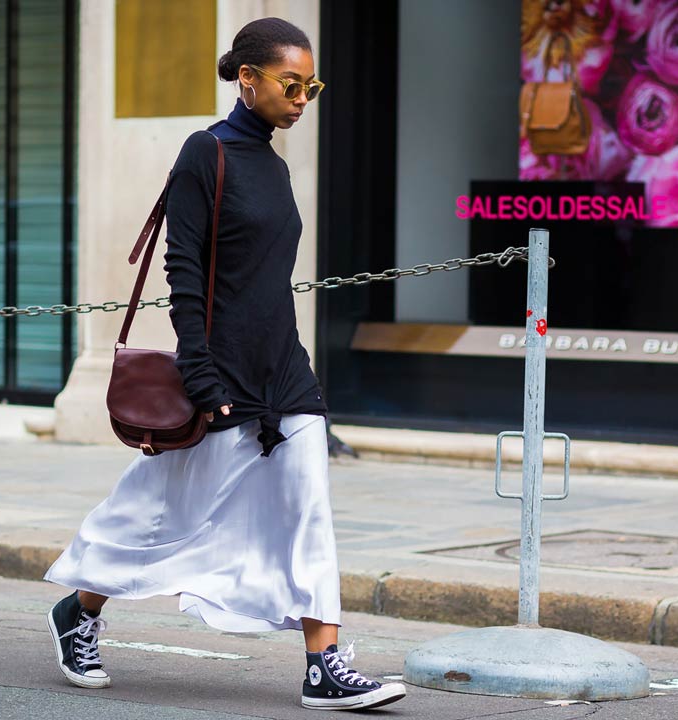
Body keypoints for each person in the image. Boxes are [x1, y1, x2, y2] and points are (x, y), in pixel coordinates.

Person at [41, 16, 407, 712]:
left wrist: (290, 361)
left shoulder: (274, 164)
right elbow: (184, 274)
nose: (301, 100)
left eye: (312, 88)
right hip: (221, 372)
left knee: (309, 507)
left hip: (285, 369)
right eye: (291, 84)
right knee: (159, 511)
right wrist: (202, 377)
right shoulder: (203, 154)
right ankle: (79, 608)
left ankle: (324, 663)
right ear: (247, 79)